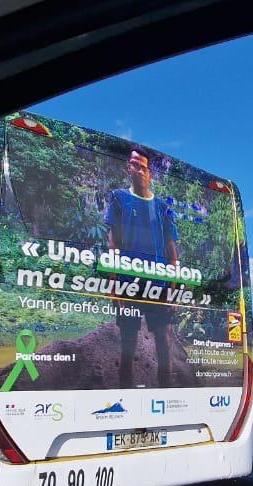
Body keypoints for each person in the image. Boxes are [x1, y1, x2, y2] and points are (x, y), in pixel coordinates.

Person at [106, 150, 180, 388]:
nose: (137, 170)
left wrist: (173, 288)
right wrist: (114, 285)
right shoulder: (118, 198)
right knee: (128, 340)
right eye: (133, 165)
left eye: (142, 167)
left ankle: (166, 391)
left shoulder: (163, 207)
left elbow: (172, 250)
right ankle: (124, 391)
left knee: (164, 338)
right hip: (128, 284)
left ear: (150, 174)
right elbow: (113, 242)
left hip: (158, 286)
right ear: (128, 168)